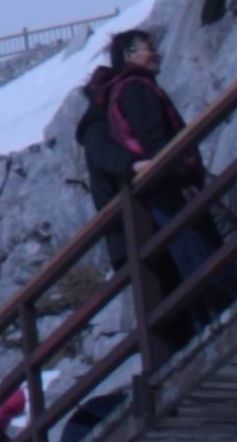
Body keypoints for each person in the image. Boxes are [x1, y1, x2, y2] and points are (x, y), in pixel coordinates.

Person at [76, 28, 218, 332]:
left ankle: (199, 334)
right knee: (181, 275)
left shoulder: (114, 97)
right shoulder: (122, 98)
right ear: (127, 57)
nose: (155, 53)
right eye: (146, 48)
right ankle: (210, 326)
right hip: (138, 215)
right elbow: (136, 147)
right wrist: (141, 165)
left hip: (138, 216)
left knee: (172, 287)